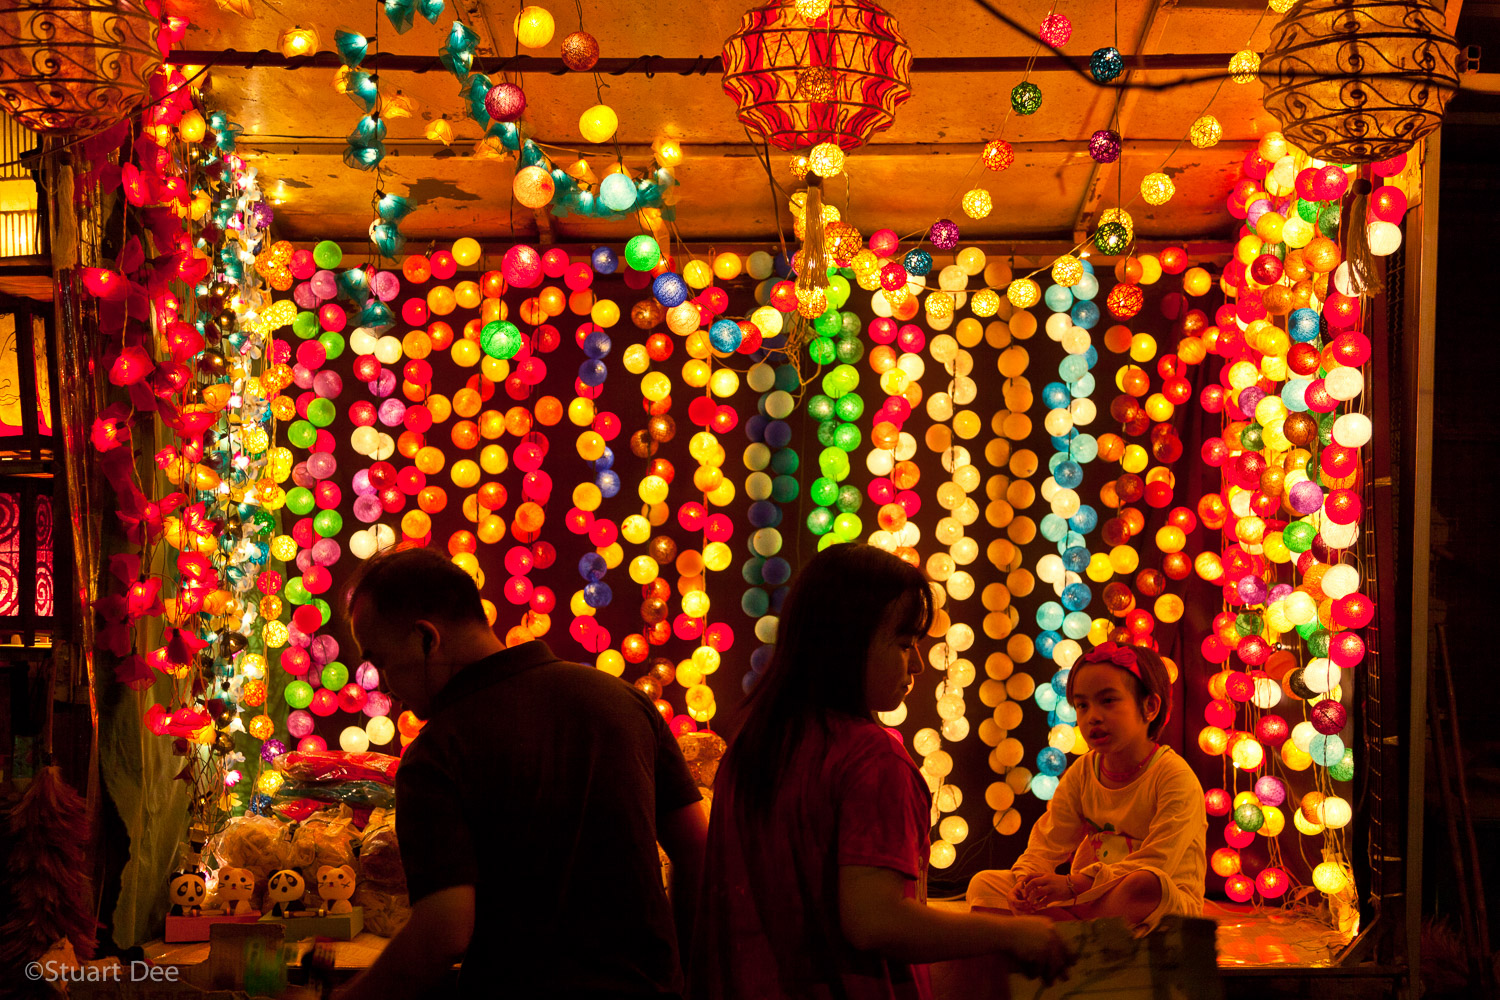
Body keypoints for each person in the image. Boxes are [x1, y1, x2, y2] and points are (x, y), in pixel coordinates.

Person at [693, 543, 1072, 1000]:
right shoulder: (871, 758)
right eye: (904, 643)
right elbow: (875, 920)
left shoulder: (753, 747)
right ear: (847, 640)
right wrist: (1011, 934)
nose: (915, 664)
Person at [334, 546, 709, 1000]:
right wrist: (685, 969)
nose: (387, 687)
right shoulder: (623, 700)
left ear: (426, 638)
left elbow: (445, 928)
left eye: (381, 661)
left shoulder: (437, 753)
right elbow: (699, 851)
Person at [966, 641, 1207, 934]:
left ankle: (1059, 935)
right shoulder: (1083, 771)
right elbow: (1048, 842)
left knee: (1145, 884)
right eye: (1082, 705)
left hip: (1155, 906)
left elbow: (1158, 861)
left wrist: (1073, 885)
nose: (1092, 716)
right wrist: (1024, 882)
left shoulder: (1173, 776)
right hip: (1087, 899)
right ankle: (1079, 935)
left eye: (1107, 701)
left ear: (1150, 706)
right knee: (985, 884)